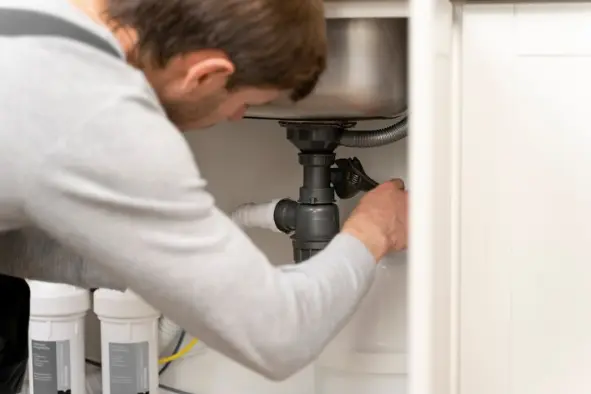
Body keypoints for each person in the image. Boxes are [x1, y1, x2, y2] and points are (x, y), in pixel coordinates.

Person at [0, 0, 409, 381]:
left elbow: (16, 241)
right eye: (243, 102)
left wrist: (173, 262)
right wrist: (375, 229)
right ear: (205, 74)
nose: (235, 118)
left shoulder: (35, 20)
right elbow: (278, 335)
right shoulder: (104, 113)